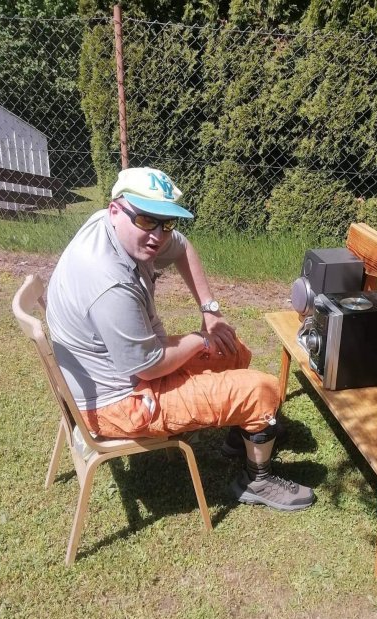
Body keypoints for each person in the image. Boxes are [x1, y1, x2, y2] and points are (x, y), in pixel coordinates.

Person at [46, 166, 314, 512]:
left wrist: (210, 309)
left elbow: (182, 247)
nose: (158, 235)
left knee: (232, 350)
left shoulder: (109, 226)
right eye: (146, 220)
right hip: (121, 402)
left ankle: (244, 433)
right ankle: (257, 481)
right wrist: (199, 339)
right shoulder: (107, 281)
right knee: (262, 389)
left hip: (122, 371)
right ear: (115, 210)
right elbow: (149, 367)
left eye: (166, 222)